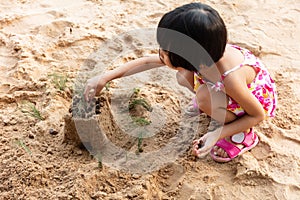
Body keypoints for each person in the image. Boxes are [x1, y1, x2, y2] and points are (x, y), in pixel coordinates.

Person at [84, 2, 277, 162]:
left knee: (203, 97)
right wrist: (105, 77)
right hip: (218, 85)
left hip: (253, 100)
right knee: (183, 76)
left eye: (166, 52)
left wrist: (215, 135)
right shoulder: (202, 53)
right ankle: (214, 104)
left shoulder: (231, 79)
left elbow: (258, 115)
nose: (160, 54)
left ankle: (243, 136)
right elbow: (146, 62)